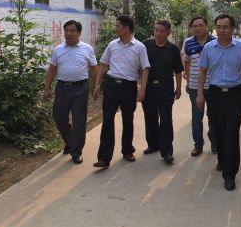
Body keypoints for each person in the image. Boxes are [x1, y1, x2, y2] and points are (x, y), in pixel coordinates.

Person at [197, 14, 241, 191]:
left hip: (236, 93)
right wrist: (200, 94)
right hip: (215, 93)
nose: (221, 30)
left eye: (225, 27)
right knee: (218, 131)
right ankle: (222, 159)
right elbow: (203, 71)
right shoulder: (208, 48)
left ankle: (230, 174)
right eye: (219, 27)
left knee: (231, 133)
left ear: (232, 29)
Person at [92, 15, 150, 169]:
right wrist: (97, 84)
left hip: (128, 87)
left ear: (126, 28)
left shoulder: (139, 47)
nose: (115, 28)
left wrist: (142, 89)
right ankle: (104, 158)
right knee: (107, 120)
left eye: (117, 25)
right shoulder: (112, 45)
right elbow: (103, 64)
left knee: (128, 119)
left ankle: (127, 150)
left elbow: (145, 69)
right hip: (111, 85)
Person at [44, 20, 98, 165]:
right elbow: (52, 70)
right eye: (66, 30)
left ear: (79, 33)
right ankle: (70, 141)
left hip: (81, 88)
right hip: (62, 88)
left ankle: (76, 152)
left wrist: (96, 86)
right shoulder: (58, 50)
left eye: (72, 31)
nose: (68, 33)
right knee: (58, 116)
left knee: (79, 120)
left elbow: (94, 68)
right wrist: (47, 88)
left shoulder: (87, 49)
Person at [141, 20, 184, 164]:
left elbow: (178, 70)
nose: (158, 34)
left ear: (168, 33)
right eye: (156, 30)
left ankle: (167, 151)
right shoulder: (146, 45)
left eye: (162, 31)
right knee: (150, 117)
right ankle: (153, 144)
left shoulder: (173, 49)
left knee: (166, 119)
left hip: (165, 87)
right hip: (149, 87)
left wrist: (178, 87)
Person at [182, 16, 216, 157]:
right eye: (194, 26)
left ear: (206, 27)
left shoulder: (215, 41)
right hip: (195, 87)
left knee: (213, 117)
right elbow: (187, 62)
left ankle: (214, 142)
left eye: (200, 25)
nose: (197, 28)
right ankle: (198, 145)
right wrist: (189, 82)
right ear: (191, 29)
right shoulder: (188, 43)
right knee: (197, 118)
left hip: (213, 86)